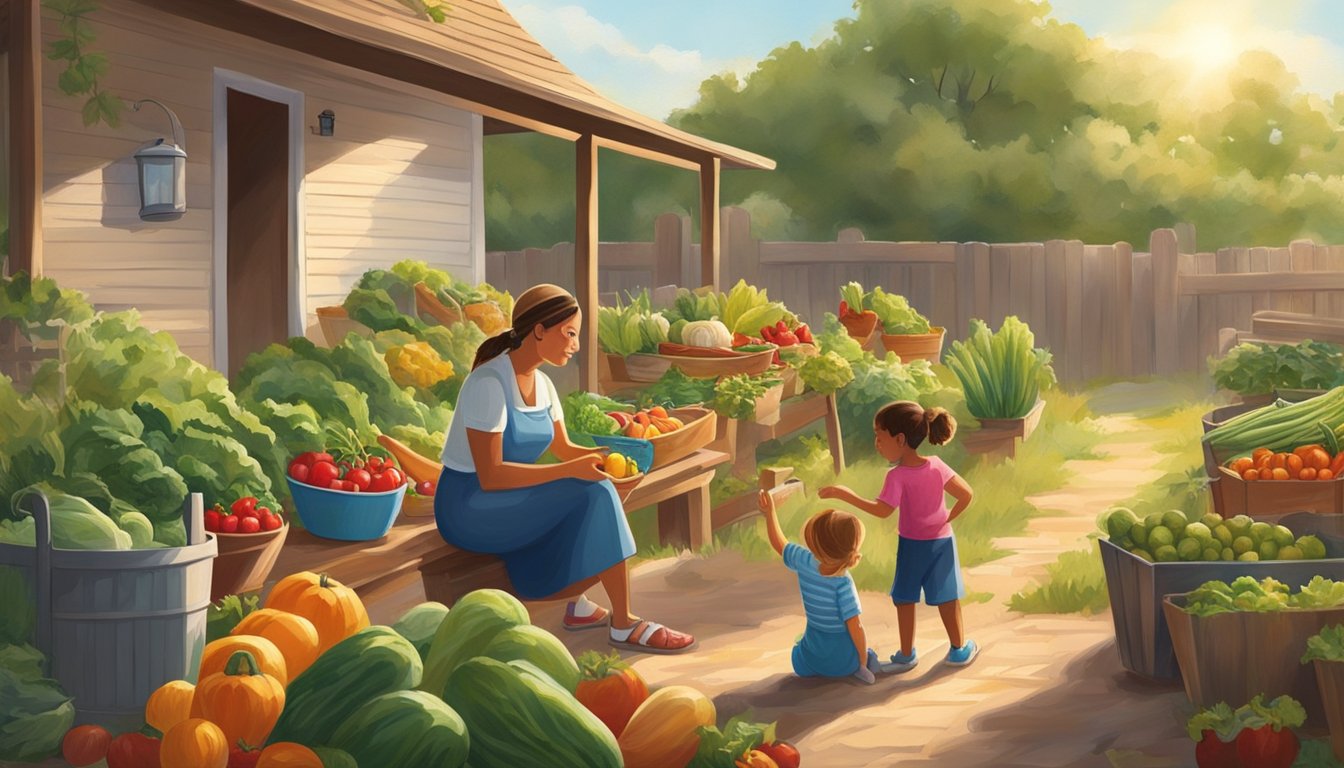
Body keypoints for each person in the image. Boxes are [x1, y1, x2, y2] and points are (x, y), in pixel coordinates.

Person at [434, 284, 695, 654]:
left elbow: (563, 449)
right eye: (569, 333)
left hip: (509, 495)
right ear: (539, 330)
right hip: (469, 504)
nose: (574, 345)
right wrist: (573, 472)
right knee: (593, 492)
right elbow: (490, 474)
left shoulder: (542, 383)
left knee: (597, 490)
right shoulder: (489, 383)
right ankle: (623, 623)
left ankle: (580, 605)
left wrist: (607, 460)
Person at [820, 401, 978, 671]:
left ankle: (909, 654)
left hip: (915, 545)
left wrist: (845, 495)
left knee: (908, 598)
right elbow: (966, 494)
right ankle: (958, 648)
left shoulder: (898, 476)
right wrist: (946, 517)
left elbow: (882, 511)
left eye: (880, 437)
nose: (877, 444)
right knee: (942, 597)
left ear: (900, 439)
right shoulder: (936, 465)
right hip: (938, 543)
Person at [757, 489, 881, 684]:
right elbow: (855, 626)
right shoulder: (843, 583)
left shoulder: (805, 560)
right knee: (863, 651)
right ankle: (868, 661)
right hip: (843, 664)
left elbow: (779, 544)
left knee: (798, 651)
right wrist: (862, 663)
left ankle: (814, 657)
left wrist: (770, 512)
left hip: (810, 660)